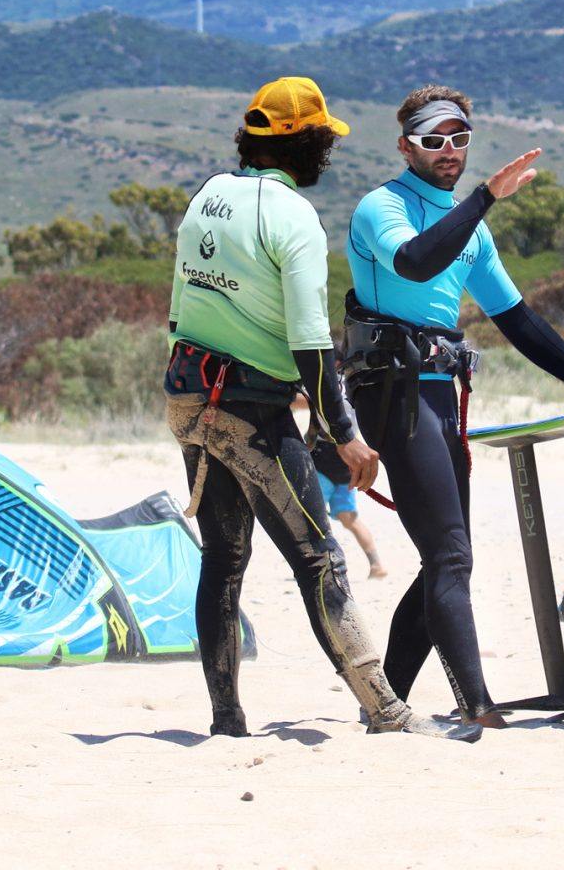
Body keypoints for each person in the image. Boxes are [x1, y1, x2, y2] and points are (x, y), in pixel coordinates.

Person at [164, 75, 480, 743]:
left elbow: (181, 310)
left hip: (190, 397)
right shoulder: (294, 219)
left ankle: (226, 720)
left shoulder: (205, 200)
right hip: (253, 410)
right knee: (321, 561)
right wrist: (347, 435)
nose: (329, 154)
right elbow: (311, 342)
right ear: (303, 143)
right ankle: (388, 711)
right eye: (324, 140)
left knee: (222, 558)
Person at [343, 84, 564, 728]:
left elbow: (517, 318)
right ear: (406, 146)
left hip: (439, 396)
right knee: (451, 556)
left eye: (459, 139)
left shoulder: (470, 234)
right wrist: (484, 200)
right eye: (433, 140)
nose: (448, 151)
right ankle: (475, 706)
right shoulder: (381, 207)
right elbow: (416, 263)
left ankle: (383, 698)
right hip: (390, 395)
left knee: (447, 556)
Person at [310, 436, 388, 579]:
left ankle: (317, 566)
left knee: (311, 518)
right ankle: (376, 564)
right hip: (347, 471)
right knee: (350, 520)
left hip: (322, 467)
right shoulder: (354, 414)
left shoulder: (328, 413)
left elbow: (312, 435)